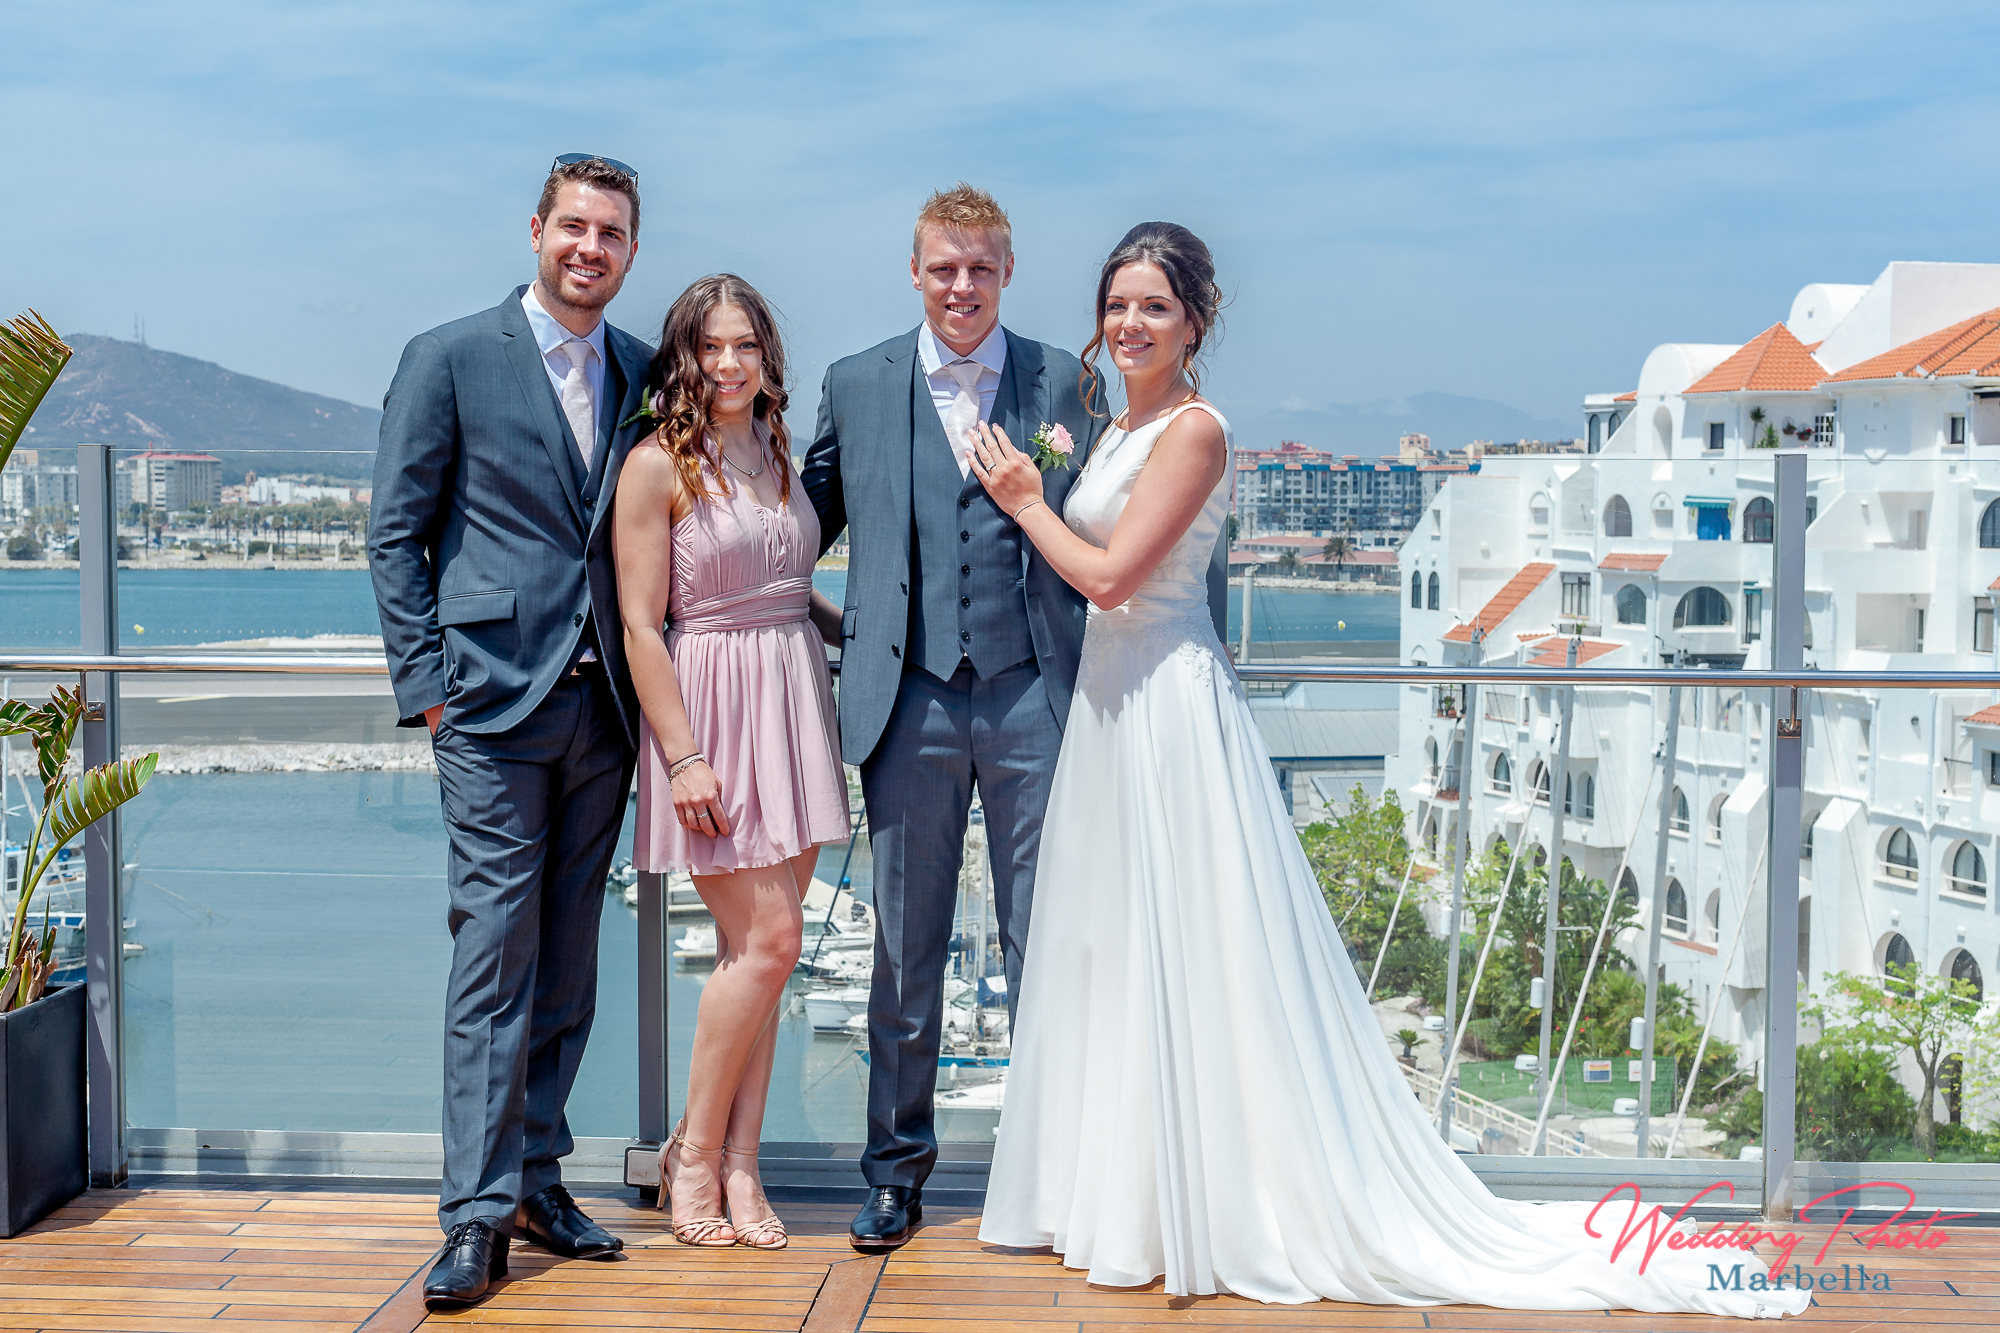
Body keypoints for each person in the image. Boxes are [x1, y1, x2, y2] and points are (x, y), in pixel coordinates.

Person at [963, 222, 1811, 1320]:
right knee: (1114, 944)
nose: (1130, 323)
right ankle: (1119, 1198)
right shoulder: (1117, 425)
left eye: (1154, 306)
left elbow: (1115, 579)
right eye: (1117, 304)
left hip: (1168, 702)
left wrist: (1027, 500)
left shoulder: (1195, 431)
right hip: (1110, 705)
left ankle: (1209, 1202)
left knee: (1194, 942)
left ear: (1196, 322)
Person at [369, 155, 654, 1309]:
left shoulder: (642, 369)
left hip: (604, 712)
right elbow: (395, 533)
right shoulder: (447, 357)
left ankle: (538, 1177)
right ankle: (475, 1215)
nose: (590, 248)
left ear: (630, 251)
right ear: (536, 229)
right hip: (488, 710)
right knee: (493, 958)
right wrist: (430, 689)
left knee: (569, 962)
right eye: (573, 226)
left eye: (611, 233)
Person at [801, 184, 1108, 1251]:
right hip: (909, 698)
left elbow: (1107, 508)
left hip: (1034, 692)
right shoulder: (855, 382)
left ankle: (1056, 1172)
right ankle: (894, 1173)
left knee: (1045, 942)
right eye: (944, 267)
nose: (961, 286)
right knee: (903, 948)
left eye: (980, 268)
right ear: (915, 271)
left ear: (1007, 271)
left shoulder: (1066, 381)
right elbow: (794, 531)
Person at [615, 275, 846, 1249]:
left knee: (760, 958)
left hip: (793, 702)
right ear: (683, 356)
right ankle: (695, 1156)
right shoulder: (655, 465)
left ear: (767, 355)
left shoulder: (777, 448)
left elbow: (785, 584)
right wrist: (683, 757)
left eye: (745, 343)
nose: (727, 362)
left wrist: (857, 632)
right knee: (773, 941)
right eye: (709, 346)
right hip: (711, 714)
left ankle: (741, 1165)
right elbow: (641, 623)